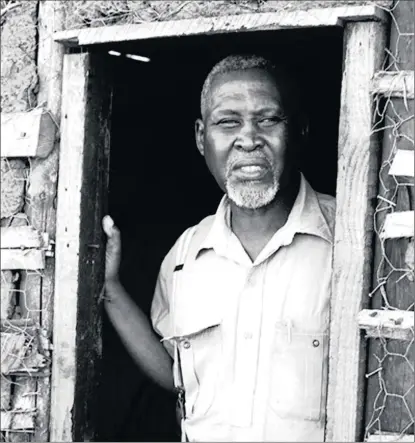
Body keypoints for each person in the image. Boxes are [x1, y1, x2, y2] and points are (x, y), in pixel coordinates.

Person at [102, 54, 335, 442]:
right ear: (200, 137)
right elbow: (178, 375)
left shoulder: (350, 242)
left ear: (299, 131)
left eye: (268, 119)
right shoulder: (186, 256)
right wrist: (110, 288)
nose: (248, 138)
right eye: (228, 122)